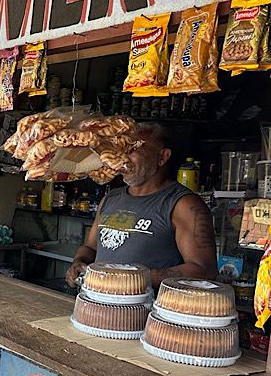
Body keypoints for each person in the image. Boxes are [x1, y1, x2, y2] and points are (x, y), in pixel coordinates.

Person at [66, 122, 217, 287]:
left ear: (162, 157)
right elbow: (90, 247)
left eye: (133, 149)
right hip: (96, 305)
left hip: (144, 309)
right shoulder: (111, 198)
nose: (123, 157)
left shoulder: (183, 204)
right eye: (122, 150)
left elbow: (204, 270)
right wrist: (78, 262)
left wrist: (133, 279)